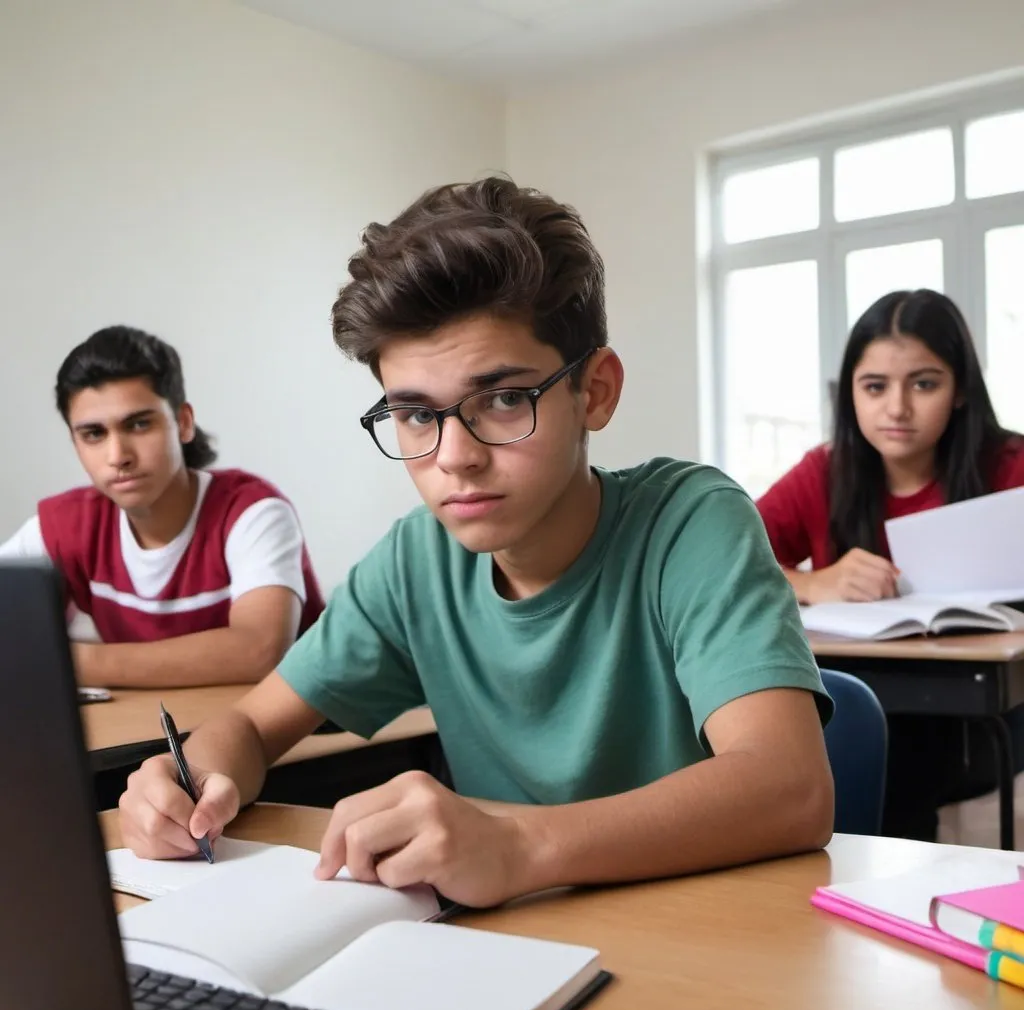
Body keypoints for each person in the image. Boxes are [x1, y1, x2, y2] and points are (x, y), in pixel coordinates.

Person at [119, 177, 833, 908]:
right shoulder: (414, 562)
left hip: (704, 936)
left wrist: (524, 846)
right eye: (415, 415)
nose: (454, 456)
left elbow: (790, 786)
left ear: (594, 391)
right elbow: (249, 725)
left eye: (502, 399)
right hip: (512, 942)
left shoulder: (690, 522)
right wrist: (189, 779)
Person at [757, 288, 1024, 839]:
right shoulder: (824, 472)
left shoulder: (1010, 466)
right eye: (874, 386)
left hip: (985, 706)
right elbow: (729, 559)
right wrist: (812, 581)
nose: (897, 408)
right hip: (858, 691)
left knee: (904, 759)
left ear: (959, 391)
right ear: (850, 393)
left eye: (924, 384)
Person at [0, 326, 324, 688]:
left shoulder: (251, 512)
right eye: (94, 434)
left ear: (183, 422)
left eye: (139, 424)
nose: (117, 456)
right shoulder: (64, 526)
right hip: (155, 734)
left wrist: (68, 662)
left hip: (303, 737)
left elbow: (259, 651)